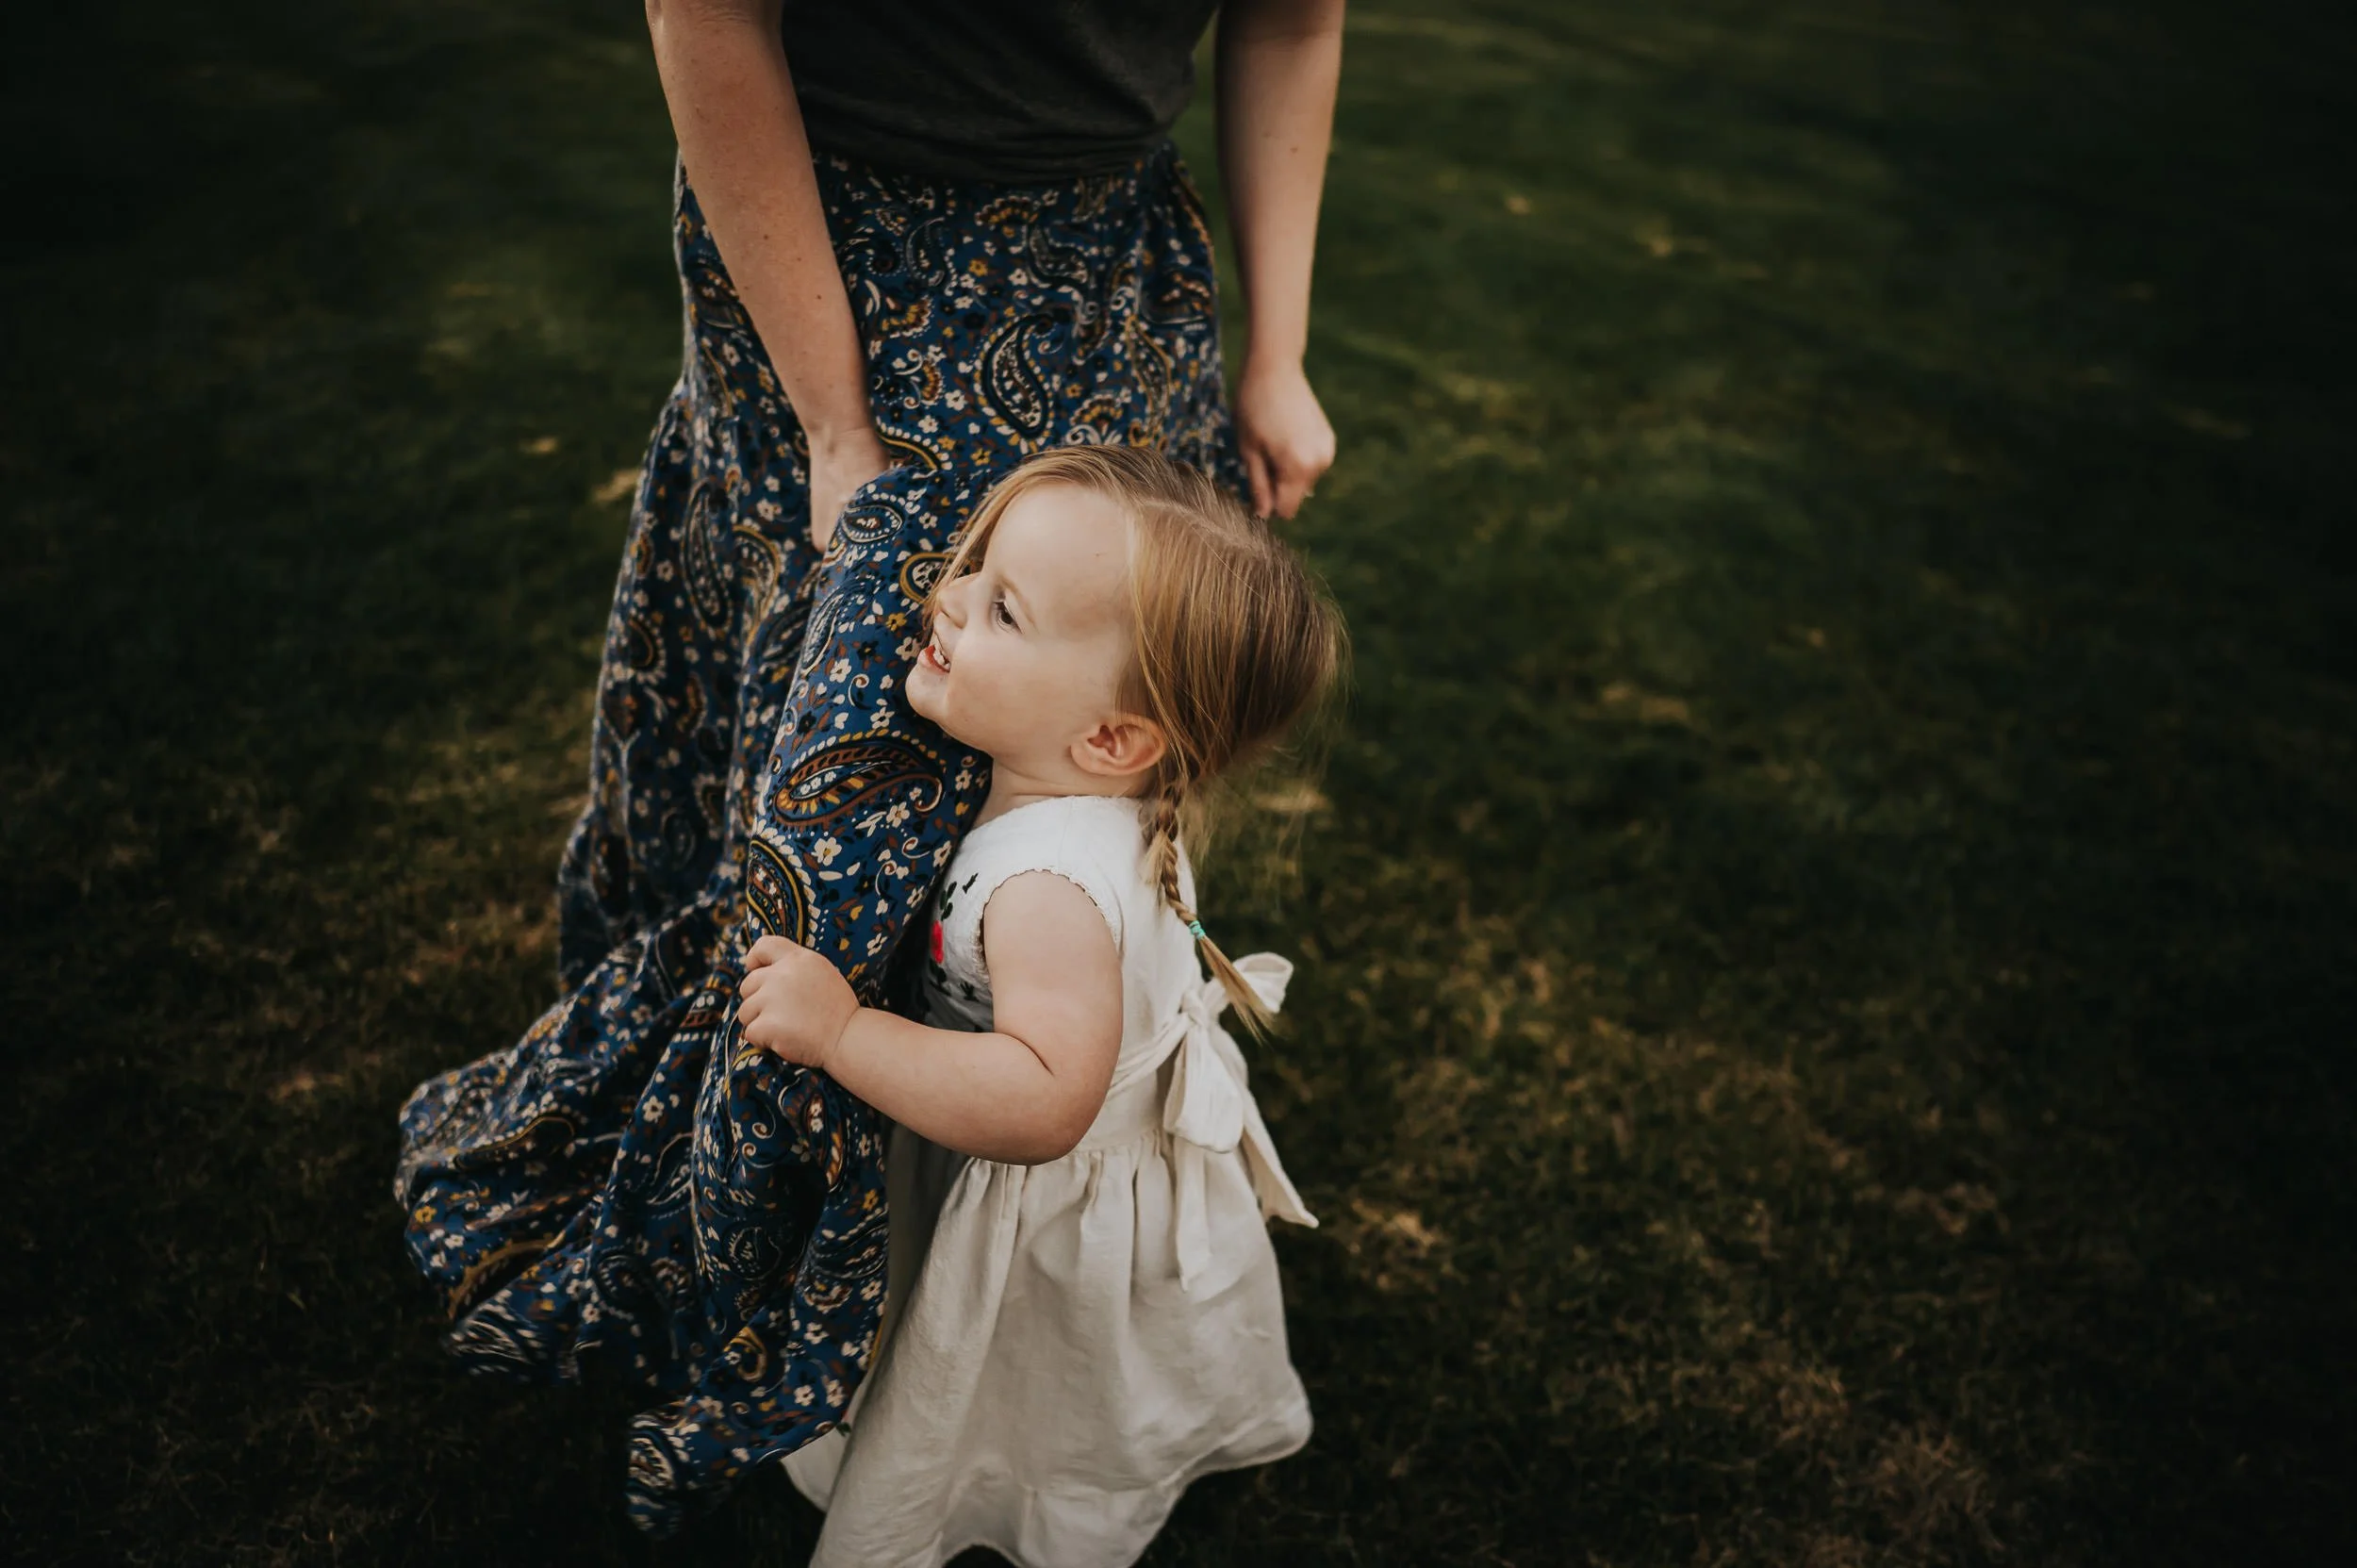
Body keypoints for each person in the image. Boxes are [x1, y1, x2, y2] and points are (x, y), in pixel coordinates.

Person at [395, 0, 1344, 1534]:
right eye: (958, 580)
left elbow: (1296, 17)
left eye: (986, 589)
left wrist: (1280, 349)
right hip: (842, 265)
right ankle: (746, 1219)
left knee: (1071, 738)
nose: (943, 598)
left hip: (1109, 277)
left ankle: (906, 1286)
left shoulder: (1069, 848)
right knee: (831, 806)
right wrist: (838, 424)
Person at [734, 446, 1342, 1567]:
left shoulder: (1042, 889)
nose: (946, 597)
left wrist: (843, 1032)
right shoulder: (1103, 799)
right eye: (975, 570)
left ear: (1110, 738)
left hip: (1041, 1198)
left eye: (1000, 609)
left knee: (1039, 1383)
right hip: (1119, 1159)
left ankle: (1027, 1502)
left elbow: (1044, 1096)